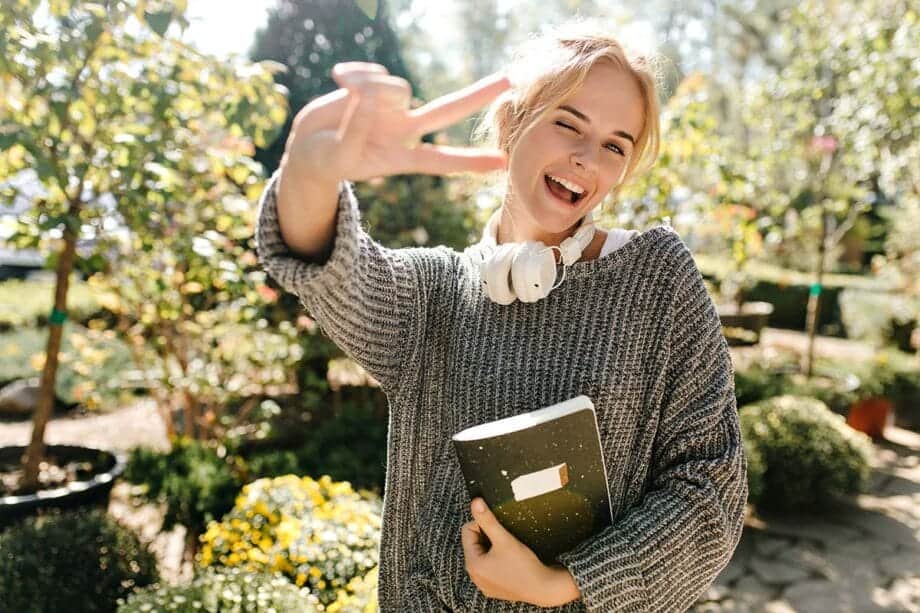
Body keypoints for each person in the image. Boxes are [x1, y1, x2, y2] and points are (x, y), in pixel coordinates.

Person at [256, 19, 748, 613]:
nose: (587, 158)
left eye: (616, 145)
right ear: (513, 121)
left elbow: (711, 490)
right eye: (568, 123)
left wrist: (563, 583)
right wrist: (312, 164)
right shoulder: (432, 295)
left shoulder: (658, 280)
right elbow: (329, 263)